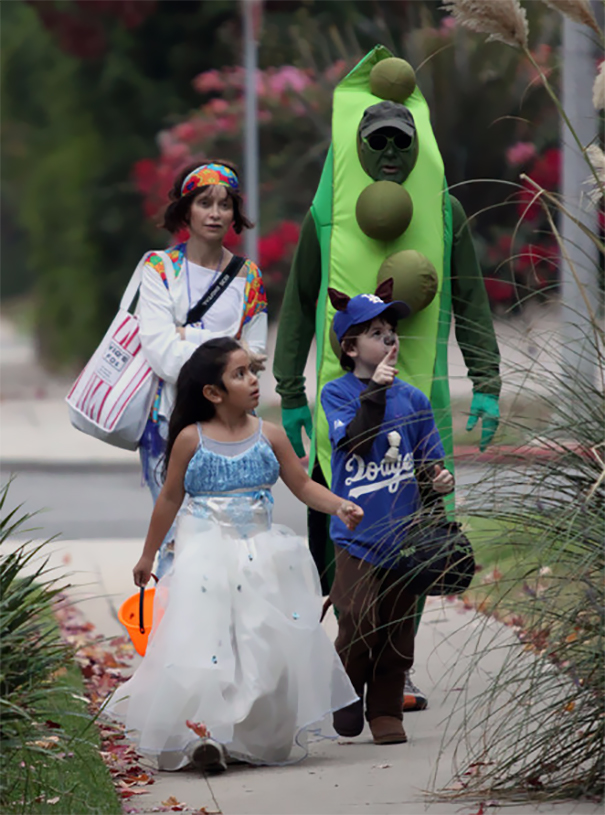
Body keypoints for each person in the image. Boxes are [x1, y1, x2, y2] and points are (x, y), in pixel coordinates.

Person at [273, 48, 500, 711]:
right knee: (337, 533)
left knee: (419, 537)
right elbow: (298, 301)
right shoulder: (328, 219)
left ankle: (391, 670)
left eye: (402, 141)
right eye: (379, 144)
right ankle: (354, 650)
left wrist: (484, 380)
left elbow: (469, 303)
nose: (391, 154)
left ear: (416, 142)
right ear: (360, 147)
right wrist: (290, 392)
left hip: (414, 407)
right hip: (341, 411)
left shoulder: (443, 215)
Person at [106, 337, 363, 772]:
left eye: (252, 372)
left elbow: (302, 486)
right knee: (205, 646)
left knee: (261, 644)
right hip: (205, 558)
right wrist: (148, 555)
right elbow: (169, 498)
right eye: (240, 373)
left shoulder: (271, 435)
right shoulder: (191, 439)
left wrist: (338, 503)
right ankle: (202, 735)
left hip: (263, 557)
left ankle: (250, 735)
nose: (253, 381)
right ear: (213, 391)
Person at [320, 280, 455, 745]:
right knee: (357, 619)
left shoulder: (414, 400)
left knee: (398, 630)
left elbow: (427, 462)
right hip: (357, 534)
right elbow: (356, 440)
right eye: (376, 332)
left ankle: (384, 709)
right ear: (351, 346)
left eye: (391, 330)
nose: (389, 339)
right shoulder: (337, 395)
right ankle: (344, 692)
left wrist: (437, 481)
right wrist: (373, 393)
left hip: (405, 537)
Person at [136, 160, 268, 579]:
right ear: (186, 210)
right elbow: (161, 354)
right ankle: (178, 638)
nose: (215, 213)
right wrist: (231, 350)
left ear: (235, 213)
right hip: (169, 426)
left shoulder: (248, 277)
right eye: (204, 203)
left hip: (234, 430)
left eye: (224, 204)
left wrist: (187, 336)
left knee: (238, 549)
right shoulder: (159, 270)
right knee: (180, 543)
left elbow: (259, 353)